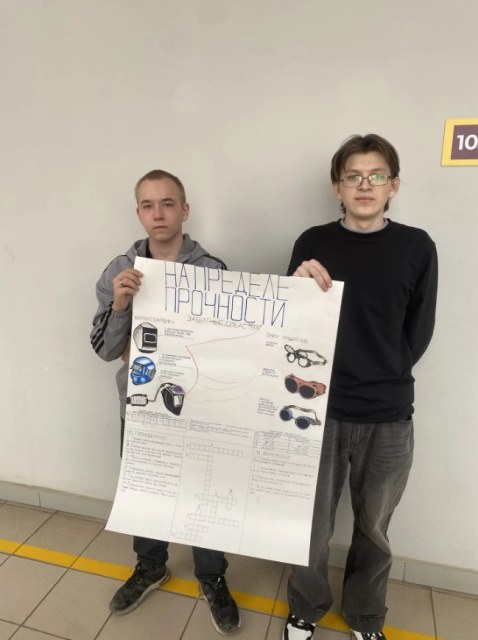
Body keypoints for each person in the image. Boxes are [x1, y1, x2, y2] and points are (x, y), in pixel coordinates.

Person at [282, 134, 438, 640]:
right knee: (310, 523)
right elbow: (288, 330)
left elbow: (418, 332)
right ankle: (306, 606)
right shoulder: (312, 243)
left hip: (389, 414)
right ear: (338, 187)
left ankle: (366, 616)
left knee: (374, 527)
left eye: (376, 176)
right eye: (353, 176)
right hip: (316, 408)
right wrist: (296, 286)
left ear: (394, 186)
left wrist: (383, 371)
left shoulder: (417, 247)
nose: (364, 185)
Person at [90, 169, 241, 635]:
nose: (158, 214)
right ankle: (151, 565)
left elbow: (228, 348)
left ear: (184, 210)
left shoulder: (211, 270)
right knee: (146, 492)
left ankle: (212, 576)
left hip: (198, 408)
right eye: (148, 205)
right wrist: (120, 307)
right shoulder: (119, 269)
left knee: (202, 492)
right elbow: (103, 349)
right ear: (138, 213)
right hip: (140, 409)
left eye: (168, 203)